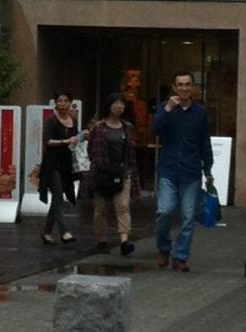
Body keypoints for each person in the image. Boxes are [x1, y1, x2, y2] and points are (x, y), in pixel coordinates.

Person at [152, 71, 214, 272]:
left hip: (191, 171)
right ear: (174, 87)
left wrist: (208, 170)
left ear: (193, 87)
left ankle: (180, 257)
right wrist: (167, 109)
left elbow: (205, 143)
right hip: (169, 169)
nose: (184, 88)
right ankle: (163, 248)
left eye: (187, 84)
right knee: (164, 211)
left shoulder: (200, 113)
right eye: (180, 84)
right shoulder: (166, 108)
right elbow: (155, 130)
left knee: (188, 217)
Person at [88, 92, 140, 255]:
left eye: (122, 104)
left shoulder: (127, 127)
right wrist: (102, 167)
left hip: (123, 171)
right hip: (103, 173)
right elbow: (92, 150)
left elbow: (131, 152)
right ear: (109, 106)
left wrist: (129, 170)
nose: (119, 107)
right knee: (101, 209)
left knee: (123, 206)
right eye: (116, 103)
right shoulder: (99, 128)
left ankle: (124, 240)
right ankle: (101, 239)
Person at [39, 92, 79, 245]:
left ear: (70, 102)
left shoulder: (73, 121)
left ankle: (47, 231)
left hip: (66, 163)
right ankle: (64, 231)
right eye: (60, 101)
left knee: (57, 197)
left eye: (66, 100)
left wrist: (81, 137)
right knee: (58, 195)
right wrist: (65, 141)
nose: (63, 103)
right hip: (52, 163)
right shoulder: (51, 120)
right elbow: (47, 141)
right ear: (55, 103)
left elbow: (75, 140)